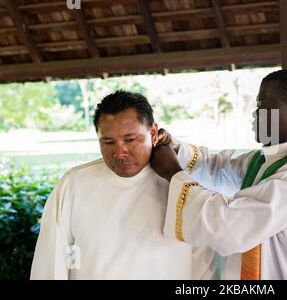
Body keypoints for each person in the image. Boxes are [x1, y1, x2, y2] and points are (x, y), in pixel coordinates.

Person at [151, 69, 287, 280]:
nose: (256, 114)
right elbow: (218, 168)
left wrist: (173, 173)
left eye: (263, 105)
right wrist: (176, 149)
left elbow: (231, 227)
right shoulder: (268, 158)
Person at [30, 91, 216, 279]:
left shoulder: (184, 185)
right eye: (109, 142)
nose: (119, 153)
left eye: (130, 140)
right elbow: (51, 261)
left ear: (152, 133)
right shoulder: (74, 184)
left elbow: (202, 266)